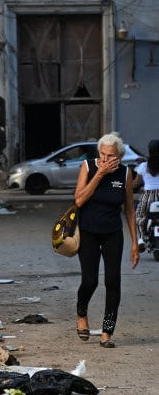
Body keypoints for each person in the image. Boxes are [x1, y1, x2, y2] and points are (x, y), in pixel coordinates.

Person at [73, 132, 139, 348]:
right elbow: (80, 199)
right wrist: (99, 174)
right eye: (102, 153)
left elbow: (129, 209)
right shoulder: (88, 166)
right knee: (90, 281)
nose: (105, 158)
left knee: (113, 281)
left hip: (113, 233)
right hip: (89, 232)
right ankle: (81, 313)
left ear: (119, 156)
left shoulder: (125, 173)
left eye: (110, 155)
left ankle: (106, 333)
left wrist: (135, 243)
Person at [133, 140, 159, 251]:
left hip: (148, 197)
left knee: (139, 216)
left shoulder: (143, 166)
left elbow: (135, 184)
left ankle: (141, 239)